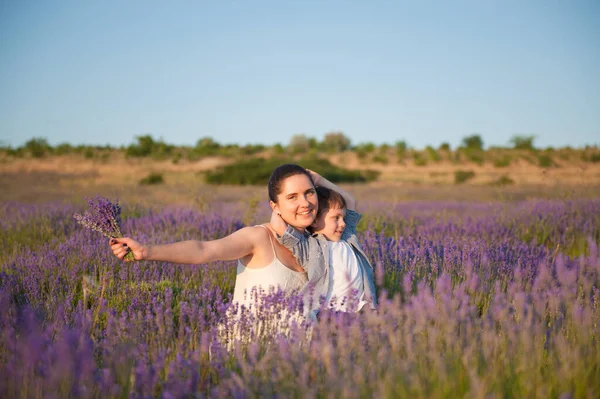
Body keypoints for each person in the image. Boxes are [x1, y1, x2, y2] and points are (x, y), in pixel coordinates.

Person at [109, 164, 320, 313]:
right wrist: (146, 251)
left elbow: (348, 212)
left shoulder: (319, 241)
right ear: (275, 206)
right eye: (292, 197)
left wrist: (320, 179)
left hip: (298, 361)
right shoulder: (258, 237)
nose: (305, 203)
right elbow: (204, 250)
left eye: (310, 192)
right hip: (250, 359)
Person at [270, 170, 377, 320]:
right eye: (336, 218)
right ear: (314, 220)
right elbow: (282, 229)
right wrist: (278, 208)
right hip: (330, 313)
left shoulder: (347, 237)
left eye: (343, 217)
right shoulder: (311, 246)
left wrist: (319, 179)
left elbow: (350, 201)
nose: (343, 223)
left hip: (361, 310)